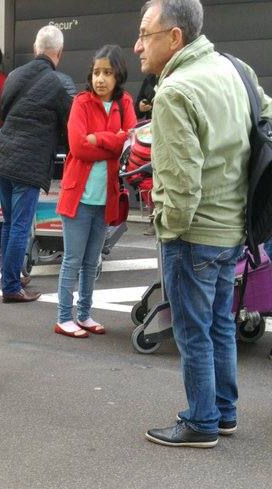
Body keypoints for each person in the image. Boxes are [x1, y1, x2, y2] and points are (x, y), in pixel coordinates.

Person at [134, 0, 272, 448]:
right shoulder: (235, 69)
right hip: (235, 225)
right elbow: (266, 116)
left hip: (193, 235)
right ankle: (223, 413)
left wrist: (167, 229)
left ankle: (201, 422)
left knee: (192, 332)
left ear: (175, 37)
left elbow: (180, 182)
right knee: (219, 325)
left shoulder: (175, 92)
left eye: (145, 35)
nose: (138, 46)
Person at [54, 45, 136, 339]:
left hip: (106, 197)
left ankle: (84, 313)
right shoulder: (81, 102)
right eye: (97, 72)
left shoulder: (124, 102)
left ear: (118, 75)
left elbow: (129, 140)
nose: (100, 78)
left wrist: (98, 138)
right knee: (72, 260)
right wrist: (111, 141)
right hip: (79, 195)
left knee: (92, 262)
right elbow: (77, 147)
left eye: (108, 72)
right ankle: (64, 316)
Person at [0, 25, 71, 303]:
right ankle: (11, 286)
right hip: (30, 161)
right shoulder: (58, 84)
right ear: (58, 53)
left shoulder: (13, 76)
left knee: (9, 222)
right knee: (20, 225)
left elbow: (2, 113)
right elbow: (68, 127)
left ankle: (9, 274)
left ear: (36, 48)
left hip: (3, 157)